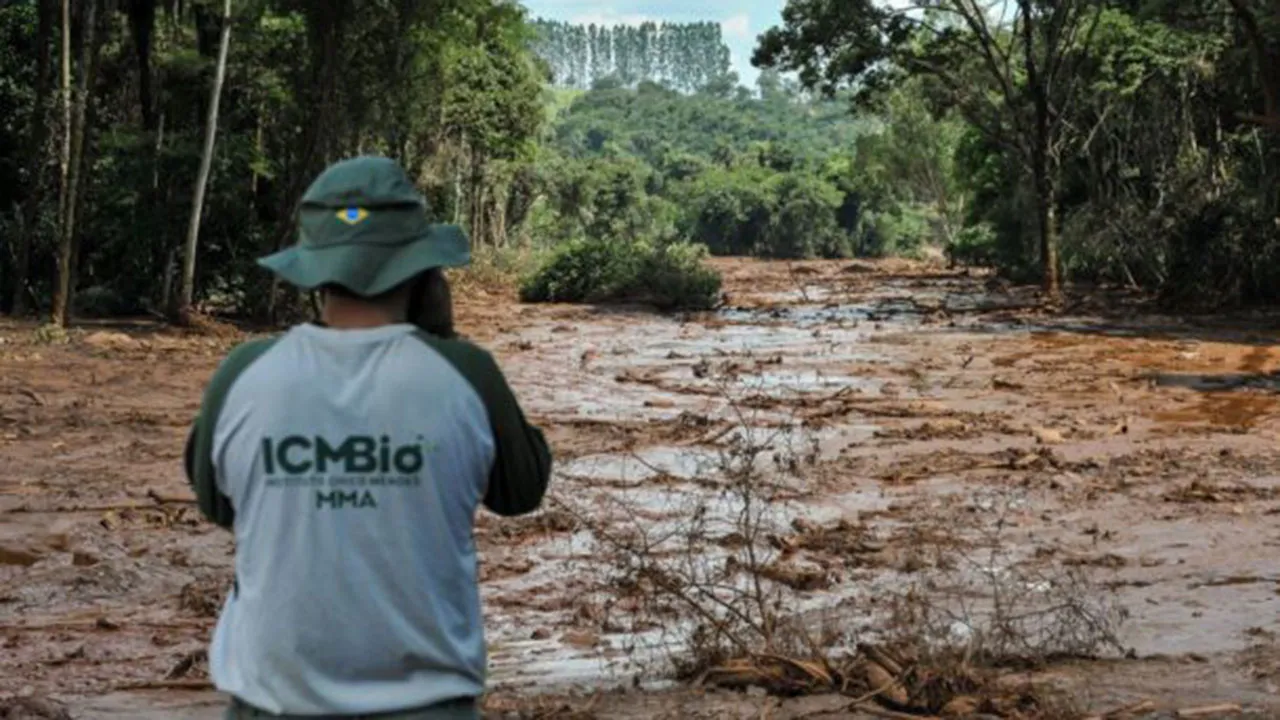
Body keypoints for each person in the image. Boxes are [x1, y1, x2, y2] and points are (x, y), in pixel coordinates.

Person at [183, 155, 552, 719]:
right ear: (423, 269)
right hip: (429, 704)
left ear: (314, 273)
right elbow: (521, 490)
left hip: (270, 703)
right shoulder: (466, 374)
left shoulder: (244, 374)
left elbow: (221, 505)